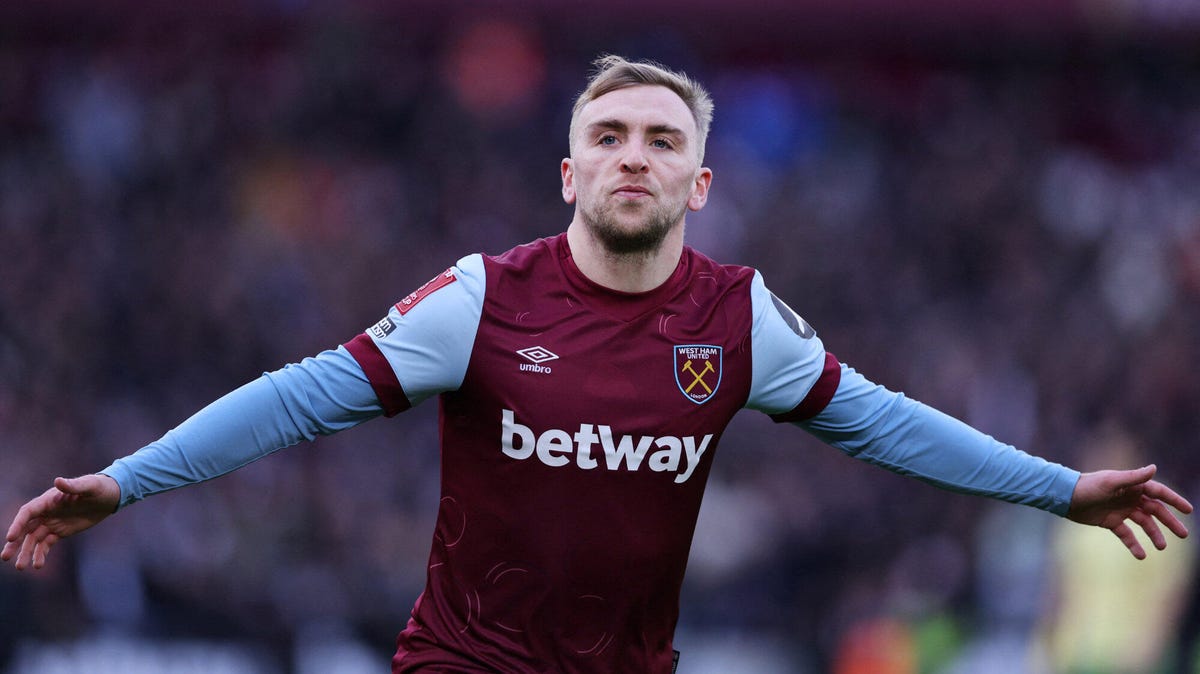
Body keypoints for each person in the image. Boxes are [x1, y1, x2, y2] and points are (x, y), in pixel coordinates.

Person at [2, 55, 1192, 674]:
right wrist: (127, 479)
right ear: (567, 175)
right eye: (607, 137)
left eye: (662, 139)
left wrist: (1063, 488)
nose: (634, 156)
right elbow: (302, 396)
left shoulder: (741, 321)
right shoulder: (481, 298)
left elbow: (888, 422)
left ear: (699, 183)